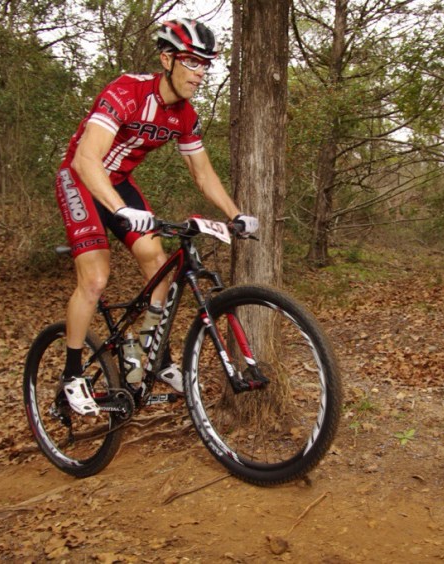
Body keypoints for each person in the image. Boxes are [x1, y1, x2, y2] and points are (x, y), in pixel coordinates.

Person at [55, 18, 258, 416]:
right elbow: (86, 158)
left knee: (159, 265)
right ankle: (71, 374)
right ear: (167, 59)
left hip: (118, 183)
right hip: (79, 178)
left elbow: (202, 174)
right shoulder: (126, 92)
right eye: (192, 62)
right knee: (94, 279)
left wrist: (237, 215)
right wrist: (120, 210)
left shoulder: (185, 116)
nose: (200, 73)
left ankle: (154, 357)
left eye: (205, 65)